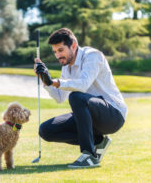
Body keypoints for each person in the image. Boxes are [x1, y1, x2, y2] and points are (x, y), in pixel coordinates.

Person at [34, 28, 127, 168]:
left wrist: (53, 81)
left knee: (76, 96)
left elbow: (83, 84)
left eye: (60, 50)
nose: (58, 55)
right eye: (55, 52)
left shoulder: (93, 56)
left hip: (113, 115)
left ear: (73, 46)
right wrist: (44, 79)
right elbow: (59, 97)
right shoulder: (66, 67)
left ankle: (89, 155)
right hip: (90, 116)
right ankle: (97, 141)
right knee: (46, 130)